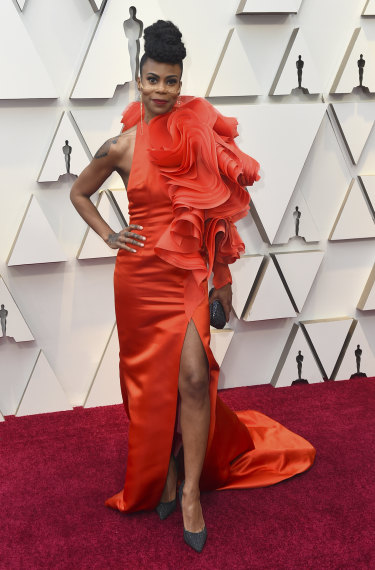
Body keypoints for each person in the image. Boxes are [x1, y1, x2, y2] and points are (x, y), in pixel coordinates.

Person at [70, 20, 316, 553]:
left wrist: (221, 281)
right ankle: (158, 474)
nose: (162, 91)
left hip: (186, 278)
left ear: (183, 81)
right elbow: (79, 193)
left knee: (196, 379)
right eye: (153, 80)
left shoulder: (198, 131)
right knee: (146, 384)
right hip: (137, 280)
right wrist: (112, 234)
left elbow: (216, 217)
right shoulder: (119, 146)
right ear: (138, 80)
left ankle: (189, 494)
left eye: (172, 81)